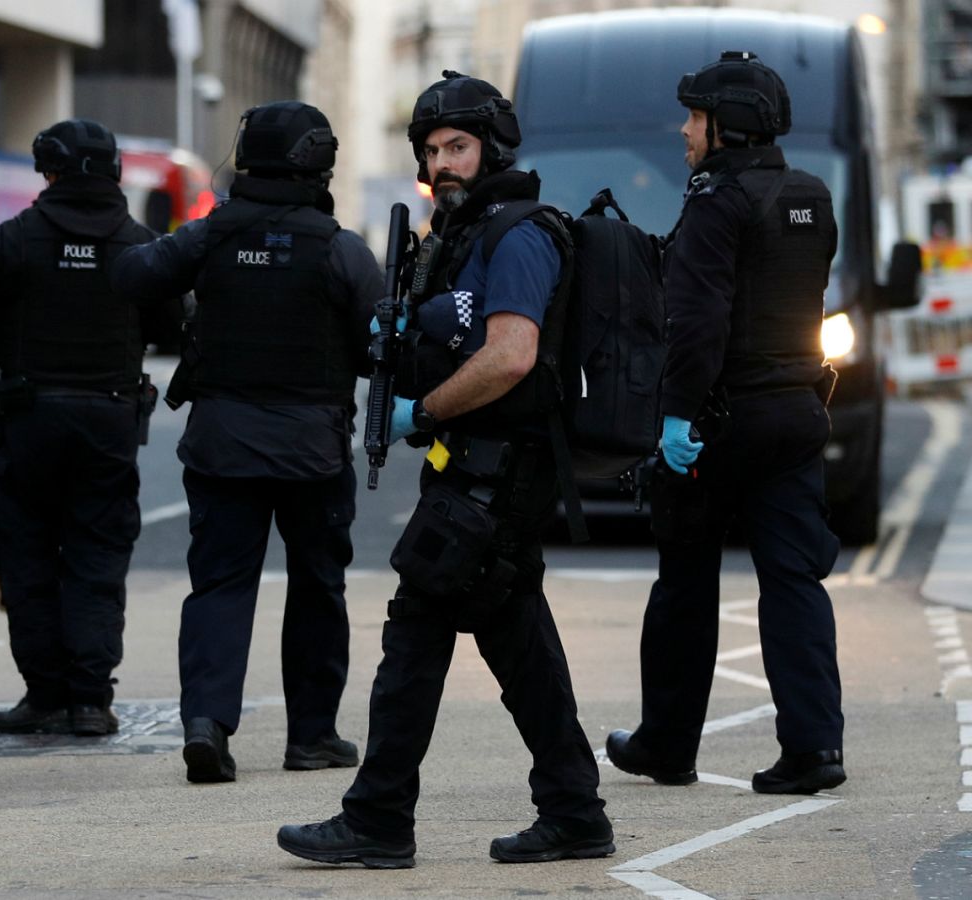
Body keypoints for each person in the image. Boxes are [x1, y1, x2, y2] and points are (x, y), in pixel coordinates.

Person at [277, 72, 613, 867]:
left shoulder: (517, 235)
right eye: (431, 151)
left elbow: (510, 354)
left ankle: (379, 817)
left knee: (417, 634)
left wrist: (420, 414)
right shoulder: (458, 237)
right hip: (474, 467)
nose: (443, 164)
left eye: (457, 146)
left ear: (492, 147)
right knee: (517, 639)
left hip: (500, 470)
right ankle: (573, 809)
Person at [112, 102, 381, 783]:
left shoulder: (209, 235)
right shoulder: (341, 247)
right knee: (318, 588)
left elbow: (133, 277)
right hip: (313, 452)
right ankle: (312, 737)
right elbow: (381, 345)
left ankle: (206, 724)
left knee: (220, 586)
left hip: (221, 445)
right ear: (319, 161)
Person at [605, 52, 844, 795]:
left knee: (683, 584)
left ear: (727, 128)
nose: (685, 131)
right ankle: (815, 750)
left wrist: (675, 418)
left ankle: (667, 745)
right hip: (797, 414)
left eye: (695, 117)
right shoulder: (812, 196)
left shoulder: (716, 200)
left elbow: (698, 319)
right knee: (795, 580)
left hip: (717, 421)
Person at [0, 118, 181, 737]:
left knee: (29, 559)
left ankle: (45, 696)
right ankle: (91, 701)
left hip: (27, 423)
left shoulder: (10, 241)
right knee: (98, 559)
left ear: (47, 172)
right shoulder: (141, 244)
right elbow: (179, 327)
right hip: (110, 421)